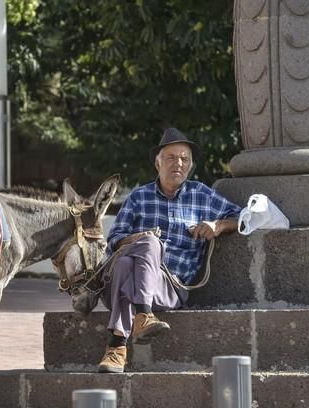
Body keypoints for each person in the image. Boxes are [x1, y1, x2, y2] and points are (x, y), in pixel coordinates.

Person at [98, 127, 241, 373]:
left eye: (184, 159)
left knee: (133, 259)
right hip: (133, 278)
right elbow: (115, 240)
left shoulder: (201, 195)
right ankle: (141, 318)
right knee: (133, 255)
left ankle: (117, 344)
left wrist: (218, 225)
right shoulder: (139, 197)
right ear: (158, 164)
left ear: (190, 165)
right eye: (171, 157)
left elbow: (243, 217)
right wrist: (142, 240)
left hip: (172, 287)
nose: (179, 163)